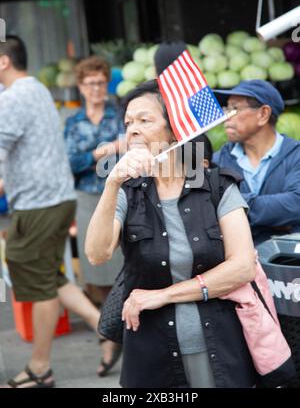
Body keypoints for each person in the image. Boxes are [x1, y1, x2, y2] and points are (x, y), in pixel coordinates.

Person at [85, 79, 261, 388]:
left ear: (175, 130)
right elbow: (97, 254)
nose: (132, 130)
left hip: (221, 346)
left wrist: (162, 296)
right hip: (152, 354)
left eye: (144, 120)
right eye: (128, 123)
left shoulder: (218, 186)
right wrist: (111, 183)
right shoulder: (127, 191)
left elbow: (242, 267)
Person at [0, 37, 109, 388]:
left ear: (3, 61)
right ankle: (104, 328)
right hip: (54, 198)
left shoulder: (13, 98)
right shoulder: (36, 89)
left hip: (38, 203)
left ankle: (41, 367)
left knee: (38, 283)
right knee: (48, 273)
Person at [64, 55, 124, 375]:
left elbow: (132, 147)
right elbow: (69, 162)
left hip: (120, 194)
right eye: (90, 83)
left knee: (122, 264)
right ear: (81, 86)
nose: (96, 88)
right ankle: (110, 327)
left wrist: (117, 147)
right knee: (94, 266)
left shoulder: (120, 115)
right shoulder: (73, 122)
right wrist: (102, 151)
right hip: (87, 197)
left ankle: (121, 329)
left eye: (101, 82)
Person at [213, 79, 300, 245]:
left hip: (285, 263)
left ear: (263, 114)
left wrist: (232, 208)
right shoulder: (219, 159)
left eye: (235, 109)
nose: (226, 117)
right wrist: (277, 220)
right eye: (226, 108)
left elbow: (296, 205)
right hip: (238, 263)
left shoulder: (296, 155)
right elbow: (207, 206)